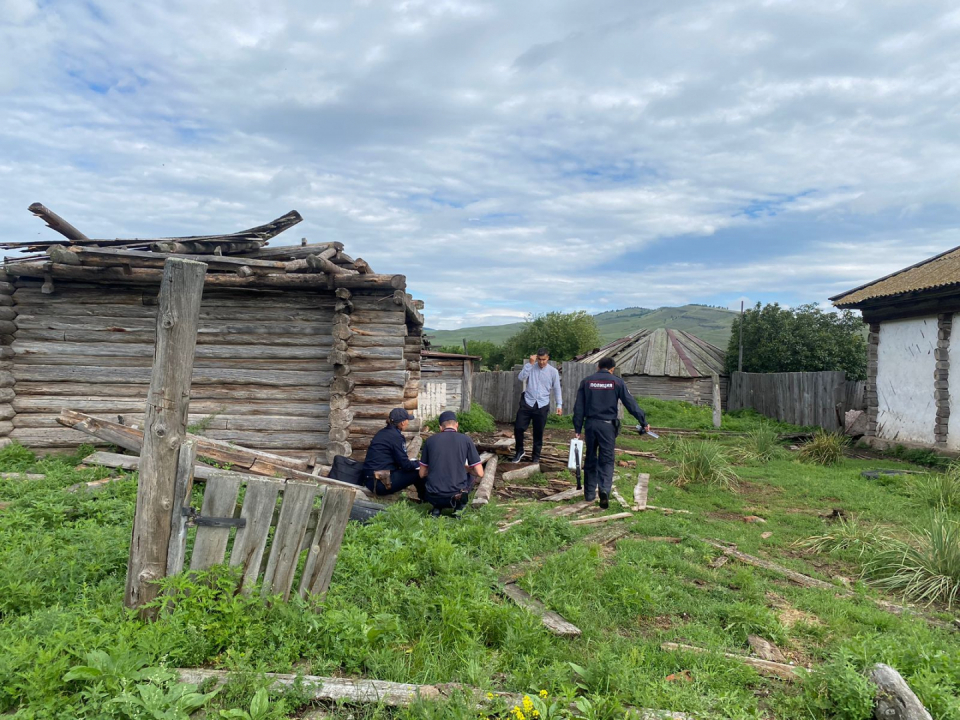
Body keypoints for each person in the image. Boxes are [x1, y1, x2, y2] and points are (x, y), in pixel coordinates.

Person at [573, 357, 649, 509]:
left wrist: (577, 428)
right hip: (607, 426)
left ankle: (589, 494)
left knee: (590, 458)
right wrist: (643, 421)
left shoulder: (587, 382)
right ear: (612, 369)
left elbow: (579, 407)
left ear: (598, 367)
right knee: (606, 460)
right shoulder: (617, 382)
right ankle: (604, 490)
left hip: (591, 425)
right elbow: (630, 403)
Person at [419, 410, 484, 518]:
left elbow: (421, 474)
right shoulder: (465, 440)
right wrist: (466, 469)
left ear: (440, 427)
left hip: (433, 496)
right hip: (456, 495)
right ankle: (459, 508)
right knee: (472, 475)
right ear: (456, 425)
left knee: (431, 477)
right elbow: (480, 473)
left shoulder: (430, 441)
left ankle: (437, 508)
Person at [510, 347, 563, 464]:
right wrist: (530, 364)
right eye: (539, 359)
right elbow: (521, 378)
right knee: (518, 427)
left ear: (548, 358)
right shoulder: (531, 367)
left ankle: (536, 457)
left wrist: (559, 405)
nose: (541, 362)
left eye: (544, 359)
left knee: (538, 432)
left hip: (542, 404)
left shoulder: (553, 371)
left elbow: (557, 389)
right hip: (527, 402)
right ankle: (519, 451)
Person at [361, 408, 426, 498]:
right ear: (402, 422)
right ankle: (425, 499)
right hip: (379, 483)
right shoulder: (396, 437)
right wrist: (418, 464)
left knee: (415, 468)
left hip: (370, 479)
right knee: (419, 472)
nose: (408, 422)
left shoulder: (382, 433)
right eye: (407, 420)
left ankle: (423, 499)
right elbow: (405, 465)